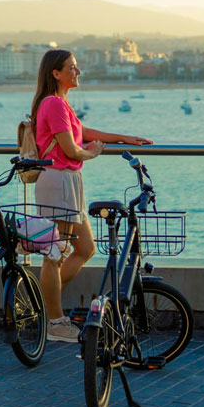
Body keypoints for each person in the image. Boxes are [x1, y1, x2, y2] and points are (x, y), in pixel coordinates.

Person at [31, 49, 152, 342]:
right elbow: (73, 149)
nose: (78, 72)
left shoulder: (61, 103)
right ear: (56, 73)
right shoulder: (53, 104)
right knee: (54, 255)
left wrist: (121, 137)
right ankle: (55, 322)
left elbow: (82, 131)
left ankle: (46, 306)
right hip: (59, 182)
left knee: (85, 248)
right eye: (72, 68)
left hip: (66, 182)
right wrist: (94, 153)